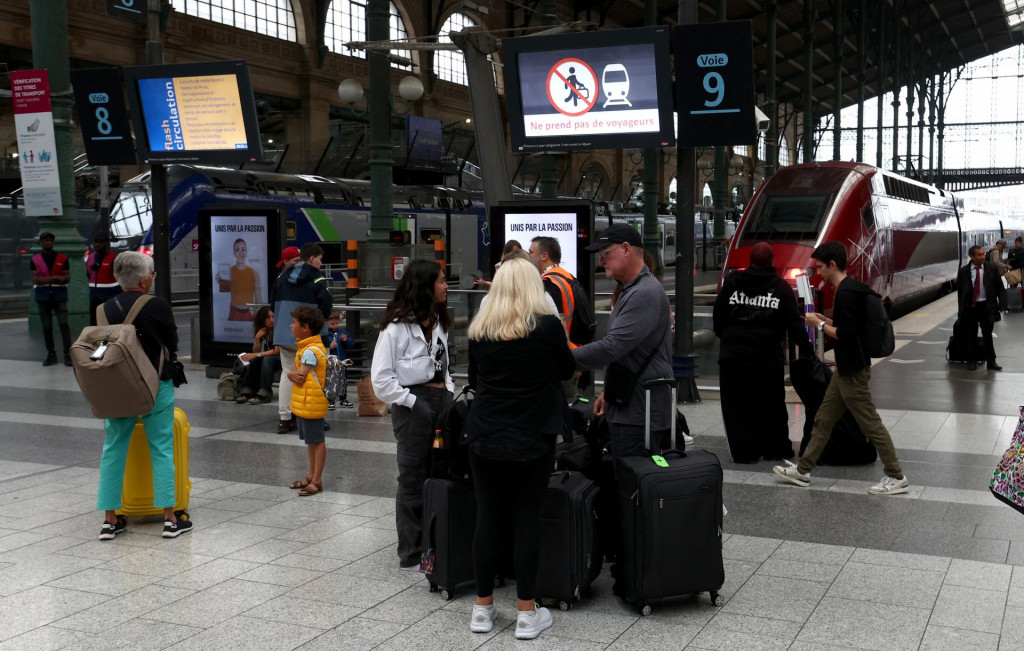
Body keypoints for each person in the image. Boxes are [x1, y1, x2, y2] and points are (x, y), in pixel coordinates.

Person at [462, 257, 573, 640]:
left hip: (484, 434)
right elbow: (565, 370)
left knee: (488, 517)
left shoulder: (481, 329)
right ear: (532, 286)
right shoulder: (547, 327)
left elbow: (475, 380)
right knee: (527, 519)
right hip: (533, 434)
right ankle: (527, 614)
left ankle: (482, 608)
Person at [773, 241, 910, 495]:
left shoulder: (845, 293)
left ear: (833, 265)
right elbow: (851, 327)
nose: (820, 272)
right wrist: (827, 320)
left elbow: (847, 335)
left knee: (871, 424)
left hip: (853, 372)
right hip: (845, 369)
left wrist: (818, 325)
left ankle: (896, 476)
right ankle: (803, 471)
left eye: (822, 267)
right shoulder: (853, 288)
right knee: (824, 419)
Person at [95, 251, 192, 540]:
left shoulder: (103, 309)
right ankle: (170, 520)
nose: (153, 278)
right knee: (161, 447)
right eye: (151, 273)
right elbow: (171, 342)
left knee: (113, 449)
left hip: (118, 389)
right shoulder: (156, 305)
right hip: (155, 386)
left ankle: (110, 521)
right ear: (143, 280)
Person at [370, 259, 454, 572]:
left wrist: (448, 391)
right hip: (412, 406)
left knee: (439, 472)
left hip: (440, 401)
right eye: (442, 281)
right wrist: (412, 402)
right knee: (412, 476)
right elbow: (381, 378)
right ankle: (411, 550)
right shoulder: (396, 327)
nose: (446, 286)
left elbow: (444, 363)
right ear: (425, 285)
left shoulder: (439, 320)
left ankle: (434, 543)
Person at [572, 225, 674, 458]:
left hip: (639, 410)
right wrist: (608, 391)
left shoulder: (644, 293)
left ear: (626, 249)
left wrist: (561, 358)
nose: (601, 260)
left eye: (605, 253)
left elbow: (612, 347)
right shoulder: (632, 289)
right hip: (631, 403)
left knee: (632, 483)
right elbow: (626, 351)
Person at [713, 242, 812, 463]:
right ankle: (775, 449)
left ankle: (744, 452)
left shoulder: (732, 283)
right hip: (767, 358)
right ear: (771, 262)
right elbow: (795, 324)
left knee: (736, 407)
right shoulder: (780, 287)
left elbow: (718, 316)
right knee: (772, 406)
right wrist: (807, 351)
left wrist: (728, 338)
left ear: (750, 261)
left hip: (733, 357)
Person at [270, 243, 332, 433]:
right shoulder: (317, 278)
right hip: (312, 337)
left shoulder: (282, 276)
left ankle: (285, 418)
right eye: (320, 259)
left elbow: (272, 303)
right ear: (312, 258)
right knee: (316, 375)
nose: (321, 263)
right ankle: (313, 417)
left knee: (288, 374)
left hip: (285, 332)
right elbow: (326, 306)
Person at [286, 306, 330, 496]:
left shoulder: (310, 351)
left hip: (312, 401)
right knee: (311, 442)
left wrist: (289, 374)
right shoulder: (307, 348)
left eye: (294, 323)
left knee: (317, 441)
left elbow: (300, 376)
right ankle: (311, 476)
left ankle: (317, 480)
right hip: (307, 401)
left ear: (305, 327)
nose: (290, 326)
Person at [957, 244, 1005, 372]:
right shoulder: (963, 271)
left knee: (987, 335)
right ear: (972, 256)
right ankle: (972, 361)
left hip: (987, 306)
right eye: (979, 255)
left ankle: (991, 361)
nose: (983, 257)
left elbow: (1000, 287)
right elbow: (960, 293)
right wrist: (960, 311)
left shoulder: (992, 268)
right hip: (971, 307)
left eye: (983, 254)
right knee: (971, 335)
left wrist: (1002, 305)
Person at [31, 232, 72, 366]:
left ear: (53, 242)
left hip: (59, 296)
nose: (48, 243)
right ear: (41, 242)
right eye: (45, 240)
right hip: (43, 297)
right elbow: (35, 279)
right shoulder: (35, 260)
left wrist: (45, 280)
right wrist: (55, 278)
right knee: (47, 327)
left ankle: (67, 354)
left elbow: (67, 278)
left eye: (50, 240)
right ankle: (51, 354)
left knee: (64, 324)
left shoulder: (63, 258)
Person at [236, 306, 280, 405]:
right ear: (262, 319)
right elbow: (256, 350)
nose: (272, 320)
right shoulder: (263, 330)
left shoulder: (277, 329)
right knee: (254, 360)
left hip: (283, 357)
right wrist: (257, 338)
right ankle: (248, 390)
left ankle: (266, 393)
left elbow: (277, 351)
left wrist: (257, 354)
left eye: (273, 317)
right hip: (271, 356)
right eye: (268, 318)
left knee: (267, 359)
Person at [86, 231, 121, 326]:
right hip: (94, 297)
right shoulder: (90, 258)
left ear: (106, 243)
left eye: (100, 242)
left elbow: (120, 277)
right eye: (95, 242)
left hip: (110, 297)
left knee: (109, 323)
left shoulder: (114, 258)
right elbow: (89, 275)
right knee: (94, 323)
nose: (97, 244)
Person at [322, 309, 355, 409]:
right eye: (332, 324)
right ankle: (330, 399)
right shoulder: (325, 334)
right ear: (326, 323)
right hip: (331, 362)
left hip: (342, 361)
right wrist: (329, 346)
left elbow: (351, 344)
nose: (335, 326)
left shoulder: (342, 332)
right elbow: (320, 347)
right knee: (330, 381)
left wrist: (346, 340)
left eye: (336, 323)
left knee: (343, 380)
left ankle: (343, 398)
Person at [227, 238, 261, 321]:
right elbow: (222, 290)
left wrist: (260, 316)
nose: (240, 252)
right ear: (234, 253)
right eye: (237, 250)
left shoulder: (254, 273)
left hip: (250, 313)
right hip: (234, 312)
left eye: (243, 249)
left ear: (246, 252)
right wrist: (220, 280)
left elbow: (258, 298)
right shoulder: (229, 272)